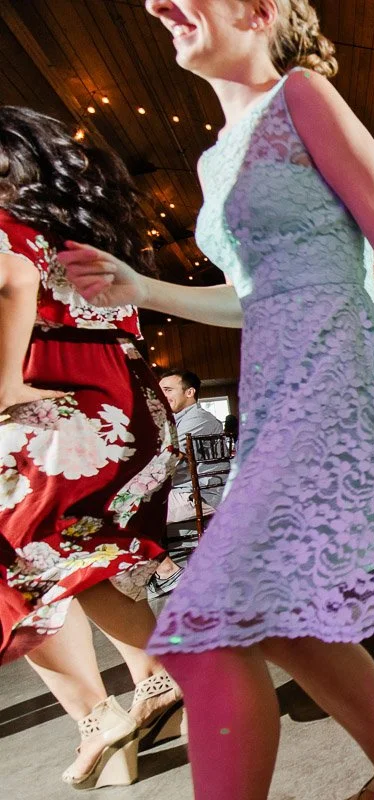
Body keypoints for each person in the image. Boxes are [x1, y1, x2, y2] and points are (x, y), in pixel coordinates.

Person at [62, 2, 374, 798]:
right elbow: (248, 296)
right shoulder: (211, 158)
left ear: (258, 11)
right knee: (279, 615)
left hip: (336, 370)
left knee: (205, 621)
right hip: (272, 385)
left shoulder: (304, 97)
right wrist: (145, 287)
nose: (160, 5)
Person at [0, 106, 183, 790]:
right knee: (83, 549)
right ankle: (155, 683)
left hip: (57, 408)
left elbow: (7, 293)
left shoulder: (6, 229)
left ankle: (95, 717)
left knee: (16, 563)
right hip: (126, 403)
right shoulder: (85, 231)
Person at [154, 368, 228, 598]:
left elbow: (161, 461)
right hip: (186, 491)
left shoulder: (197, 421)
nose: (162, 395)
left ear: (190, 392)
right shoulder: (176, 421)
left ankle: (166, 570)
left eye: (168, 390)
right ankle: (158, 569)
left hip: (199, 496)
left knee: (125, 513)